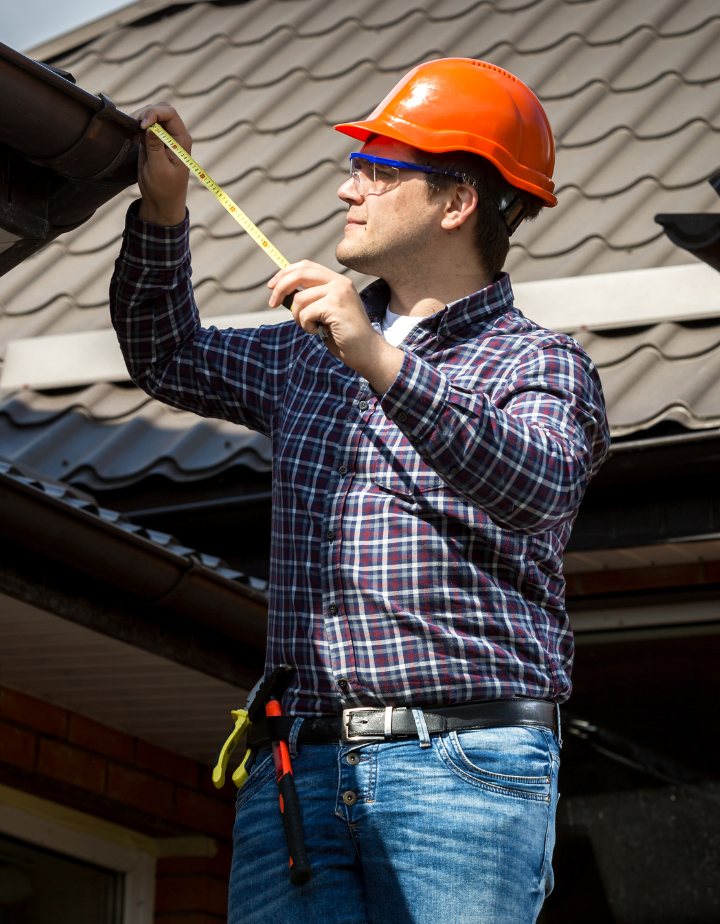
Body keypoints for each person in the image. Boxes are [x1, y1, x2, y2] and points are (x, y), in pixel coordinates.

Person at [111, 58, 609, 924]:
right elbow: (166, 353)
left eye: (379, 171)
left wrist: (380, 361)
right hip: (300, 770)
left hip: (465, 766)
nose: (350, 189)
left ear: (457, 203)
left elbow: (538, 486)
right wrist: (161, 211)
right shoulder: (312, 350)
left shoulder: (540, 363)